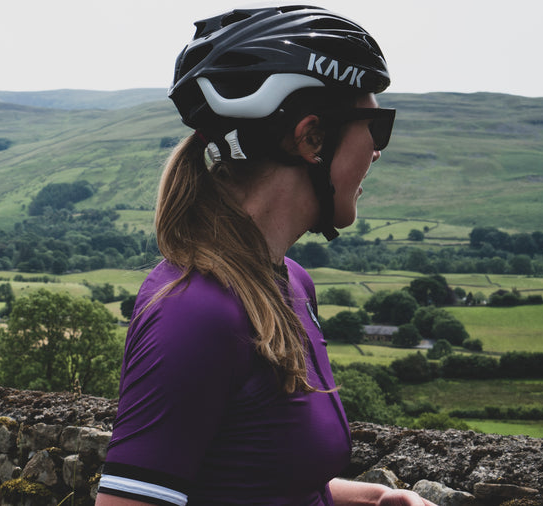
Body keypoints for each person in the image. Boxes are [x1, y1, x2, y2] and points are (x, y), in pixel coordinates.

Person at [94, 6, 437, 506]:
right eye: (377, 127)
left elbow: (256, 476)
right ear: (311, 137)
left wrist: (374, 498)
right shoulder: (194, 313)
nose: (378, 151)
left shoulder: (290, 283)